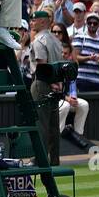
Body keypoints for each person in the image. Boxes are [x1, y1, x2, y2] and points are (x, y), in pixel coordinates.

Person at [28, 11, 65, 164]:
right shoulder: (56, 40)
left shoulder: (39, 40)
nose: (31, 22)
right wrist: (58, 83)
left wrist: (50, 82)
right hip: (55, 84)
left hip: (42, 83)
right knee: (53, 125)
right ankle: (55, 159)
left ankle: (40, 158)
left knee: (41, 124)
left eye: (34, 20)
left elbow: (42, 65)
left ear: (43, 22)